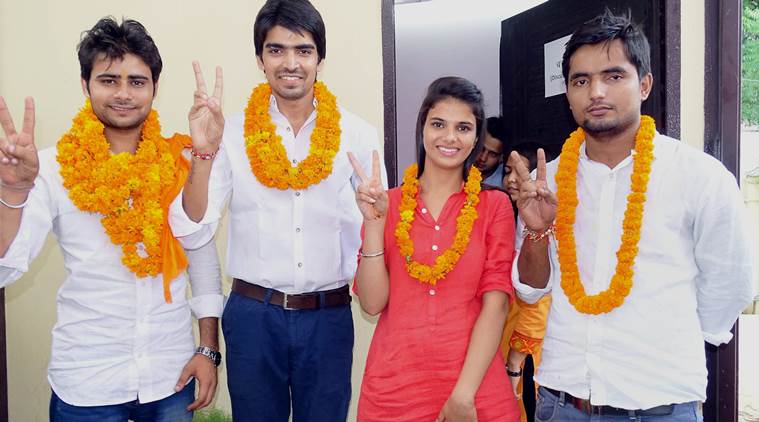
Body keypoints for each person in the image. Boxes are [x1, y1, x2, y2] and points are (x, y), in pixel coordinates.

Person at [512, 10, 754, 421]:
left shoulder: (698, 176)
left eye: (613, 76)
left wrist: (666, 342)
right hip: (563, 403)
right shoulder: (546, 181)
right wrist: (537, 232)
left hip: (659, 405)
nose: (596, 92)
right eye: (581, 81)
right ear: (568, 94)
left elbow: (732, 284)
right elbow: (531, 291)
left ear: (644, 85)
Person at [169, 0, 386, 420]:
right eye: (276, 50)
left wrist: (377, 214)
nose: (291, 63)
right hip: (254, 317)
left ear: (320, 58)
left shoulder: (357, 134)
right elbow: (193, 227)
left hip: (328, 317)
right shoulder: (229, 133)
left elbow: (376, 230)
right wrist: (202, 153)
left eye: (303, 50)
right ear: (259, 59)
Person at [0, 17, 223, 421]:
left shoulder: (180, 158)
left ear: (155, 87)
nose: (123, 93)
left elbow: (199, 250)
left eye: (137, 81)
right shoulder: (50, 169)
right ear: (86, 85)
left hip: (169, 377)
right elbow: (5, 268)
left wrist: (207, 349)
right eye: (109, 80)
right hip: (88, 381)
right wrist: (13, 194)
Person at [352, 76, 520, 422]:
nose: (449, 137)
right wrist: (373, 223)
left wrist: (463, 396)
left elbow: (497, 304)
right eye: (438, 124)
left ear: (476, 137)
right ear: (423, 128)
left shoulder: (494, 206)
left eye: (463, 128)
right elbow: (371, 303)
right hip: (395, 390)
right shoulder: (390, 203)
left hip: (475, 391)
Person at [499, 142, 552, 422]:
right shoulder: (511, 214)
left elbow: (541, 298)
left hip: (531, 348)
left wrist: (516, 361)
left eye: (519, 173)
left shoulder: (545, 219)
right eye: (507, 172)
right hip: (507, 333)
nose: (510, 180)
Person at [476, 116, 507, 186]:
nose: (483, 158)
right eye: (481, 148)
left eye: (492, 154)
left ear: (501, 158)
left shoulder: (505, 182)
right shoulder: (457, 169)